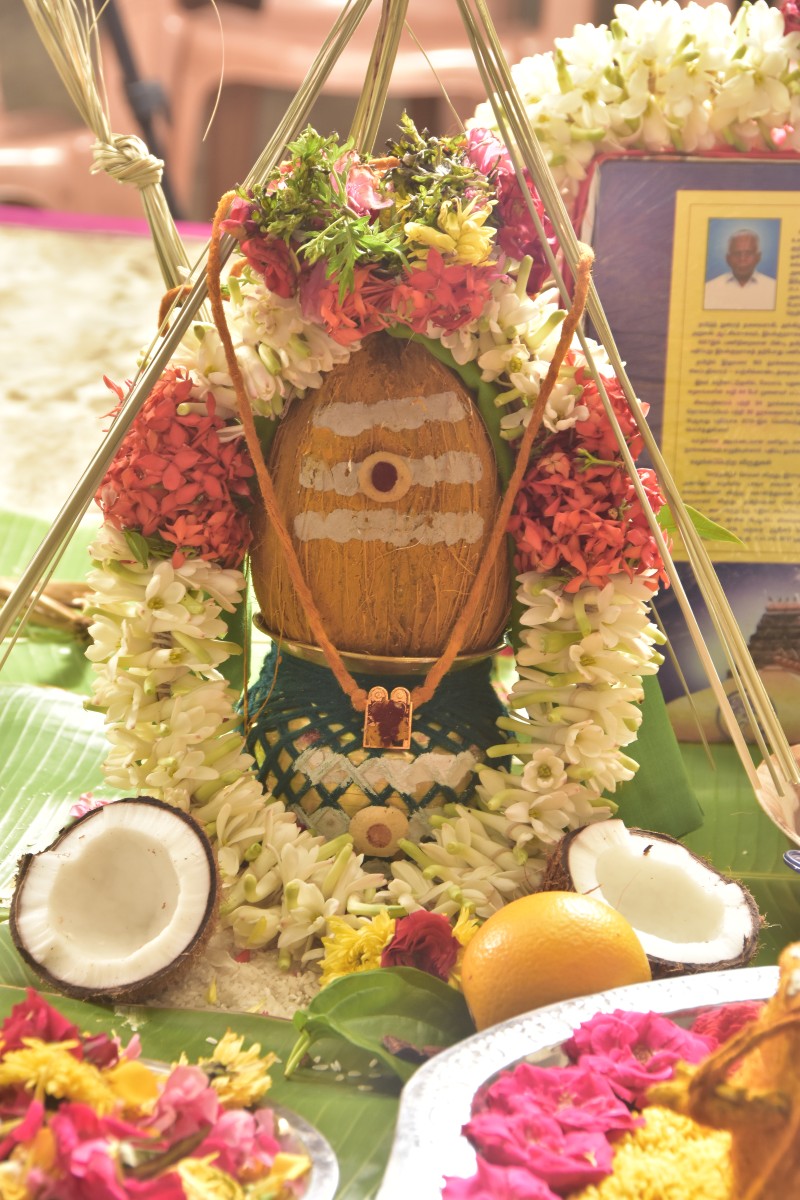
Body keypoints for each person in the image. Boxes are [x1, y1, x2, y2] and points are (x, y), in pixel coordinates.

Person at [704, 229, 777, 310]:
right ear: (727, 258)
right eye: (737, 254)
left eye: (748, 253)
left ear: (758, 257)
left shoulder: (774, 289)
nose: (742, 259)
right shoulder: (709, 289)